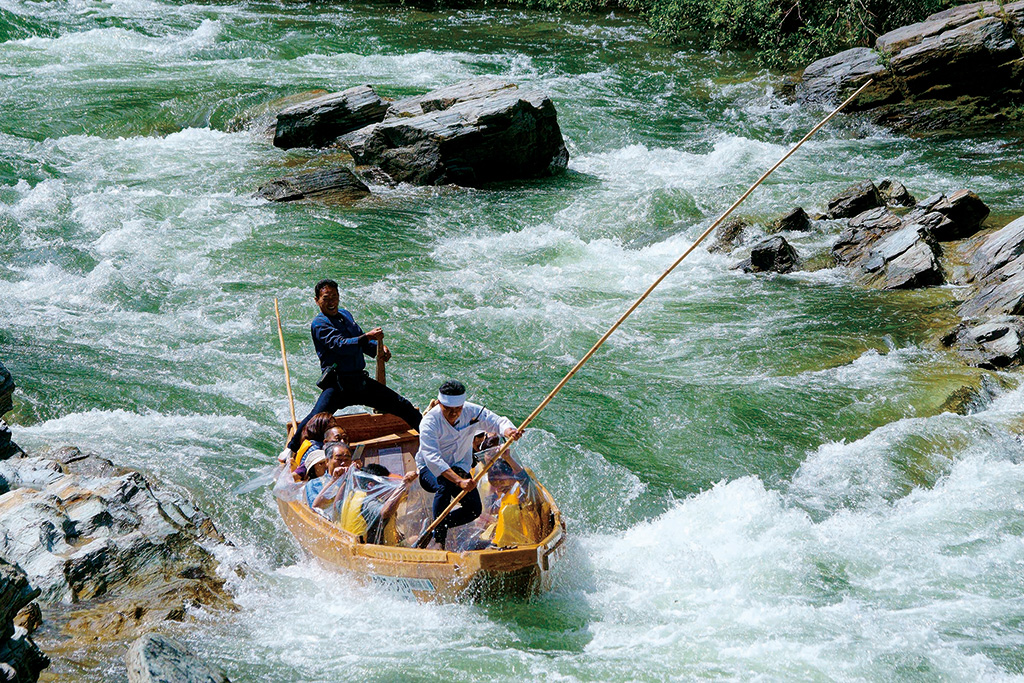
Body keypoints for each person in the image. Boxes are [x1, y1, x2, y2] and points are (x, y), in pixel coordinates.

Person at [279, 279, 422, 464]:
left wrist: (378, 350)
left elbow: (361, 342)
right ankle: (291, 449)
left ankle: (431, 438)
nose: (331, 302)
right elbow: (340, 345)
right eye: (326, 298)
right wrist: (366, 337)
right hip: (338, 385)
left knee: (403, 406)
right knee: (315, 419)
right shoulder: (319, 324)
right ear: (317, 300)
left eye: (335, 297)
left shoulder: (345, 315)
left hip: (360, 382)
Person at [415, 380, 522, 549]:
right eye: (448, 410)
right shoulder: (429, 422)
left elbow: (497, 421)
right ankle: (439, 541)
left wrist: (509, 431)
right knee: (445, 485)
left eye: (457, 410)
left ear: (463, 405)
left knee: (474, 509)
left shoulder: (472, 411)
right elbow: (432, 458)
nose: (454, 414)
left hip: (460, 467)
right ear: (440, 404)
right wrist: (459, 481)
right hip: (430, 470)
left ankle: (438, 524)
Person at [340, 464, 417, 545]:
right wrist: (403, 485)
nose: (387, 486)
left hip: (353, 546)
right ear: (371, 485)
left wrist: (346, 479)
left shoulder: (352, 496)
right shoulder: (368, 503)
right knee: (416, 540)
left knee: (415, 538)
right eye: (384, 483)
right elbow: (385, 513)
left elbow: (337, 504)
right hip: (373, 552)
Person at [479, 459, 541, 548]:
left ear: (511, 475)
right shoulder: (506, 495)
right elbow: (491, 509)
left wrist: (508, 458)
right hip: (504, 544)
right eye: (494, 483)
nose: (499, 486)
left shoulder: (522, 491)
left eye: (502, 481)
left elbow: (524, 479)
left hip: (525, 544)